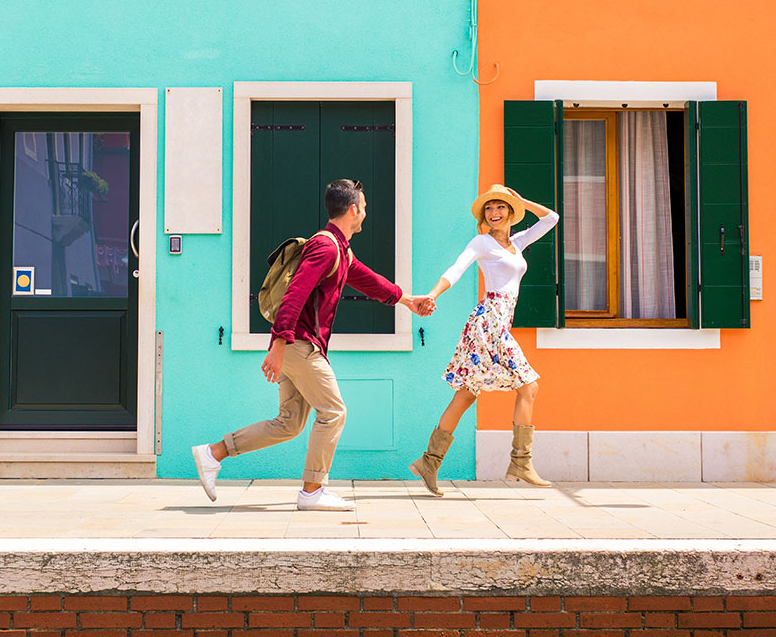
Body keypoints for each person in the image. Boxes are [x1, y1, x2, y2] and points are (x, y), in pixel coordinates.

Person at [193, 179, 433, 511]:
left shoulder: (340, 249)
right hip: (299, 344)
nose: (365, 212)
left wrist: (408, 300)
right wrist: (278, 344)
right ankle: (312, 491)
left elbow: (369, 281)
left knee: (289, 423)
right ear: (352, 210)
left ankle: (212, 453)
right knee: (334, 412)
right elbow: (295, 294)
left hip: (296, 345)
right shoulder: (326, 247)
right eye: (363, 207)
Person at [408, 184, 559, 497]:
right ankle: (520, 461)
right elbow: (456, 268)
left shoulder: (517, 242)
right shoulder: (481, 242)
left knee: (466, 395)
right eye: (489, 209)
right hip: (489, 321)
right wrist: (432, 295)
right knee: (529, 385)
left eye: (501, 207)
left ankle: (429, 462)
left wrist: (522, 200)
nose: (494, 213)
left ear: (510, 211)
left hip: (499, 321)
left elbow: (551, 219)